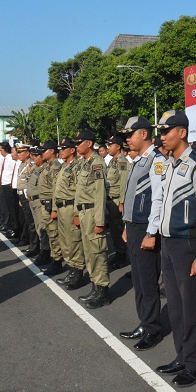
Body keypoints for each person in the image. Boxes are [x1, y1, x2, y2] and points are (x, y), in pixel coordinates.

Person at [153, 111, 196, 387]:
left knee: (192, 308)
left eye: (167, 131)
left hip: (188, 244)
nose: (162, 136)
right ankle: (182, 355)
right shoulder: (170, 164)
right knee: (176, 306)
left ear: (183, 133)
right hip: (168, 243)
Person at [118, 116, 166, 350]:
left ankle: (153, 329)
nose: (127, 138)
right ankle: (144, 321)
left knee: (148, 282)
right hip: (134, 226)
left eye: (130, 134)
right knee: (138, 280)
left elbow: (157, 198)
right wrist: (127, 225)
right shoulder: (139, 161)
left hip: (145, 227)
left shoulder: (156, 160)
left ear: (144, 134)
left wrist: (151, 232)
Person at [74, 130, 110, 309]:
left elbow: (99, 195)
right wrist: (76, 213)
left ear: (89, 143)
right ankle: (95, 287)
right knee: (89, 253)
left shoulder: (97, 164)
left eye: (79, 142)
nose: (76, 145)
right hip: (84, 212)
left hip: (93, 213)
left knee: (97, 252)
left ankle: (102, 291)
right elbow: (79, 192)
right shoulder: (84, 164)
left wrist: (100, 221)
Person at [52, 138, 86, 289]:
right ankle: (71, 268)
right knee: (65, 241)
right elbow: (56, 190)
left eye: (64, 148)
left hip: (71, 207)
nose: (61, 151)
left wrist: (78, 213)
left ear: (72, 150)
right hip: (61, 207)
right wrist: (54, 208)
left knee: (74, 241)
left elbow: (80, 192)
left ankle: (77, 271)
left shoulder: (76, 167)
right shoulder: (63, 167)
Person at [38, 141, 63, 274]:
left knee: (54, 234)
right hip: (45, 204)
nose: (42, 153)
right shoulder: (47, 166)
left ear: (52, 151)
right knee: (49, 232)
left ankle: (57, 261)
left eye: (45, 150)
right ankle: (54, 258)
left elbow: (56, 189)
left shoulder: (55, 167)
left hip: (50, 204)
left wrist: (53, 208)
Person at [105, 135, 130, 270]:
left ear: (118, 147)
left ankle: (122, 256)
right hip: (109, 200)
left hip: (116, 200)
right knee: (114, 230)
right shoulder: (112, 162)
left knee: (118, 228)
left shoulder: (122, 162)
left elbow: (124, 183)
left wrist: (122, 202)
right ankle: (118, 254)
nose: (108, 147)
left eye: (111, 145)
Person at [26, 147, 50, 261]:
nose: (34, 158)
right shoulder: (36, 168)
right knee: (37, 227)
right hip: (32, 201)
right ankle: (42, 249)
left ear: (42, 157)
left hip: (40, 201)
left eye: (36, 156)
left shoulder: (46, 169)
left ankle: (45, 251)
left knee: (43, 227)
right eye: (33, 156)